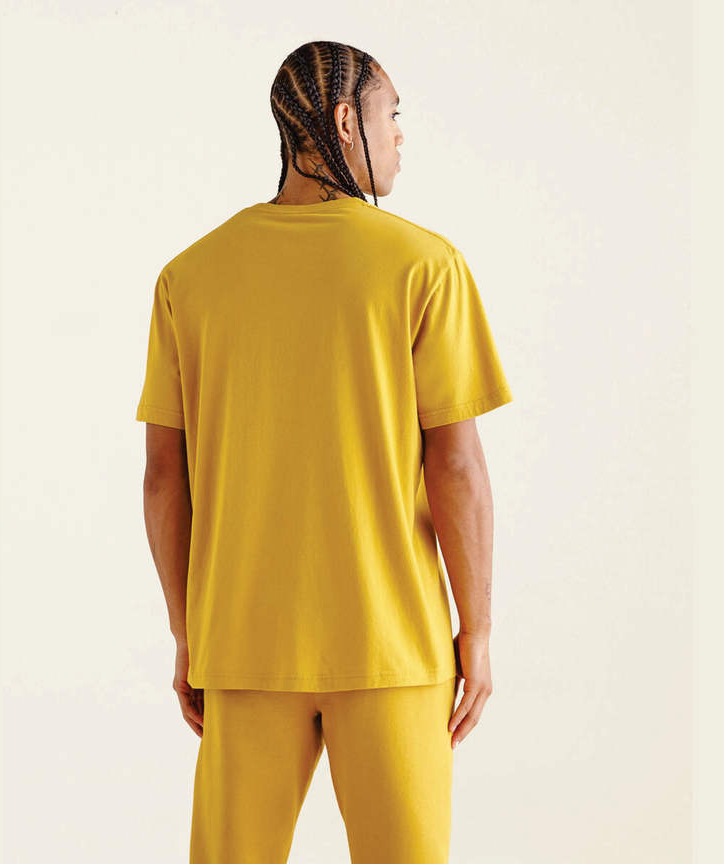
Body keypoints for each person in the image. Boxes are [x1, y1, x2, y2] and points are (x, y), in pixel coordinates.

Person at [136, 40, 513, 864]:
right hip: (392, 643)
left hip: (243, 642)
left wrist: (188, 634)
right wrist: (477, 632)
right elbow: (455, 467)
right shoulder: (425, 266)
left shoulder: (189, 277)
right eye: (391, 114)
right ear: (346, 121)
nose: (400, 134)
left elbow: (166, 477)